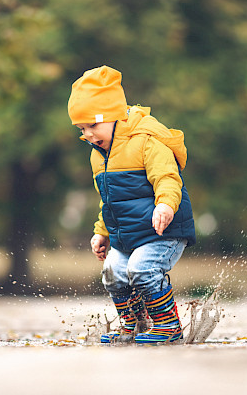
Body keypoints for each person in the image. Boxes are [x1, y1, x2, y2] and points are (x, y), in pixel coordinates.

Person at [67, 65, 196, 344]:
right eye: (81, 128)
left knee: (142, 269)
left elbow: (167, 178)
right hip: (127, 234)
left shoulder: (146, 141)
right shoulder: (98, 155)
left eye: (93, 124)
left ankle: (168, 326)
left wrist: (165, 206)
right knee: (112, 273)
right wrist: (101, 231)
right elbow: (109, 200)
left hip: (163, 230)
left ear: (112, 116)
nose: (88, 134)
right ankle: (134, 325)